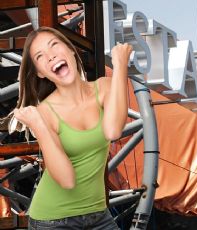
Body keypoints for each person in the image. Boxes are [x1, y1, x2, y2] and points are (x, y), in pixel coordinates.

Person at [8, 26, 132, 229]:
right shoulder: (46, 113)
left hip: (98, 214)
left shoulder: (105, 87)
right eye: (40, 56)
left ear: (71, 49)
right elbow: (67, 180)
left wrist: (120, 66)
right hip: (53, 220)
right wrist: (39, 125)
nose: (50, 56)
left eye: (54, 45)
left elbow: (113, 131)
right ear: (40, 73)